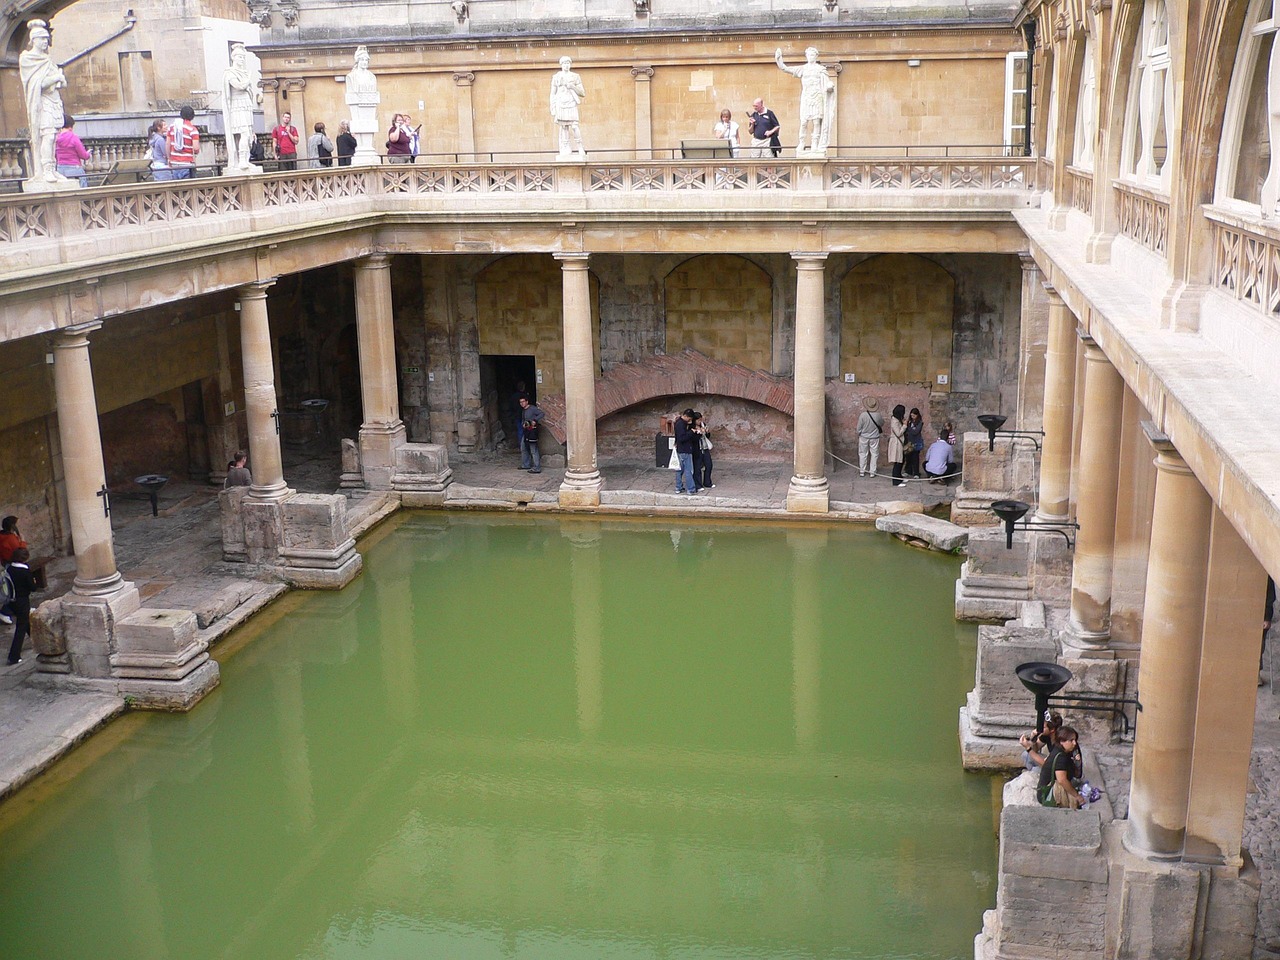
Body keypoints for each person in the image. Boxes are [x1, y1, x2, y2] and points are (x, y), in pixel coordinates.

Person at [19, 19, 67, 184]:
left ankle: (52, 168)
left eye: (47, 38)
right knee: (47, 136)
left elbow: (62, 82)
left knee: (53, 137)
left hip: (54, 102)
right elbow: (37, 85)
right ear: (34, 40)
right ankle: (45, 169)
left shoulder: (48, 60)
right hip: (43, 103)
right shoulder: (27, 59)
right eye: (42, 39)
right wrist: (56, 77)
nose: (46, 42)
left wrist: (59, 79)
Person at [775, 46, 836, 155]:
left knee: (816, 122)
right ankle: (802, 142)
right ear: (806, 56)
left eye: (812, 55)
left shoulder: (820, 69)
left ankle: (814, 144)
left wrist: (830, 86)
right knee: (804, 122)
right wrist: (778, 59)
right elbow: (785, 68)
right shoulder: (803, 69)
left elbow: (827, 82)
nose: (810, 57)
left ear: (816, 56)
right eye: (808, 55)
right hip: (807, 97)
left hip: (817, 96)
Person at [223, 44, 263, 173]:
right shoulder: (230, 73)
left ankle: (245, 159)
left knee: (248, 134)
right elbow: (239, 86)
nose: (241, 59)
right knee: (243, 133)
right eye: (239, 57)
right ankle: (241, 161)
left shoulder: (244, 72)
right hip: (237, 106)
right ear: (233, 57)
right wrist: (248, 80)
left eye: (243, 57)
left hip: (246, 105)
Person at [1037, 726, 1085, 809]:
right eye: (1071, 740)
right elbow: (1062, 780)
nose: (1074, 743)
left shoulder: (1062, 750)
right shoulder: (1060, 757)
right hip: (1047, 793)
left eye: (1075, 740)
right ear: (1062, 742)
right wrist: (1077, 796)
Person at [550, 56, 586, 159]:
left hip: (571, 102)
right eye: (564, 63)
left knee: (574, 126)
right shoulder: (556, 77)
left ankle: (580, 147)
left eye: (568, 63)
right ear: (561, 65)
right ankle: (565, 148)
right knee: (564, 127)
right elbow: (553, 93)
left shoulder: (575, 76)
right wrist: (552, 106)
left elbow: (582, 93)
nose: (566, 65)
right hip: (560, 103)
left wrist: (572, 86)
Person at [6, 547, 35, 666]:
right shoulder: (24, 572)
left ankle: (36, 640)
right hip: (22, 600)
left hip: (12, 600)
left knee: (25, 621)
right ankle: (14, 656)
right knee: (21, 627)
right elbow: (32, 587)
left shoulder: (10, 569)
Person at [0, 516, 28, 627]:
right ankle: (5, 611)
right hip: (15, 564)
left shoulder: (1, 536)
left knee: (13, 589)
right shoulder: (11, 538)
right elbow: (20, 552)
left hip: (6, 563)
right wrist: (23, 541)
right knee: (15, 590)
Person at [54, 115, 90, 186]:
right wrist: (88, 154)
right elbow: (83, 155)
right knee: (81, 192)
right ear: (71, 126)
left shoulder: (55, 138)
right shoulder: (73, 137)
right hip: (74, 168)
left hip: (60, 169)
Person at [167, 105, 200, 179]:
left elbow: (167, 144)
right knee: (189, 188)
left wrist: (169, 158)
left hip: (174, 162)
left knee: (177, 188)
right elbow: (196, 148)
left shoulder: (171, 127)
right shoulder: (192, 129)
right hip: (187, 163)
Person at [856, 397, 883, 478]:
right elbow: (881, 424)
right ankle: (872, 471)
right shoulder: (878, 415)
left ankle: (862, 470)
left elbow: (858, 427)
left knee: (863, 453)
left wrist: (859, 433)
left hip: (864, 437)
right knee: (874, 454)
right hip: (875, 437)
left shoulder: (863, 415)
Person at [673, 408, 698, 494]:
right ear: (687, 416)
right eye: (690, 418)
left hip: (680, 449)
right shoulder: (681, 424)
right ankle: (690, 489)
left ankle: (678, 487)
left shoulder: (679, 423)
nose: (690, 420)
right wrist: (691, 432)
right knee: (688, 470)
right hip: (685, 449)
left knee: (679, 469)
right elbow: (682, 438)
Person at [518, 395, 544, 473]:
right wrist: (523, 424)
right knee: (523, 447)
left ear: (527, 402)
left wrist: (535, 420)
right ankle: (526, 464)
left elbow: (541, 414)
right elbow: (523, 420)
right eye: (520, 402)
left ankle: (537, 467)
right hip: (526, 431)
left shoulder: (532, 409)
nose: (522, 403)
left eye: (523, 402)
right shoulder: (523, 411)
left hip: (532, 431)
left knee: (533, 449)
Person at [888, 404, 906, 486]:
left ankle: (899, 477)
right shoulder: (894, 421)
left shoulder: (898, 420)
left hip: (899, 443)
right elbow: (898, 433)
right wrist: (905, 425)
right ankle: (896, 481)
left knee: (901, 460)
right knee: (897, 461)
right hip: (896, 443)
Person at [695, 411, 714, 489]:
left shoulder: (703, 425)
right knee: (697, 467)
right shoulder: (692, 427)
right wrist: (699, 433)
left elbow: (707, 436)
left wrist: (707, 432)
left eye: (701, 420)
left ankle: (707, 482)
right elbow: (693, 438)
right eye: (698, 420)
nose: (700, 422)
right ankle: (698, 485)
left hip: (705, 448)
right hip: (697, 449)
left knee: (709, 465)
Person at [903, 407, 924, 478]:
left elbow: (916, 432)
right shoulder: (909, 422)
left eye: (914, 416)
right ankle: (908, 471)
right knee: (908, 457)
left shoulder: (920, 423)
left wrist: (908, 427)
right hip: (909, 442)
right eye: (911, 416)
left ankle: (916, 473)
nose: (913, 417)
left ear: (917, 415)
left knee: (915, 458)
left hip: (916, 442)